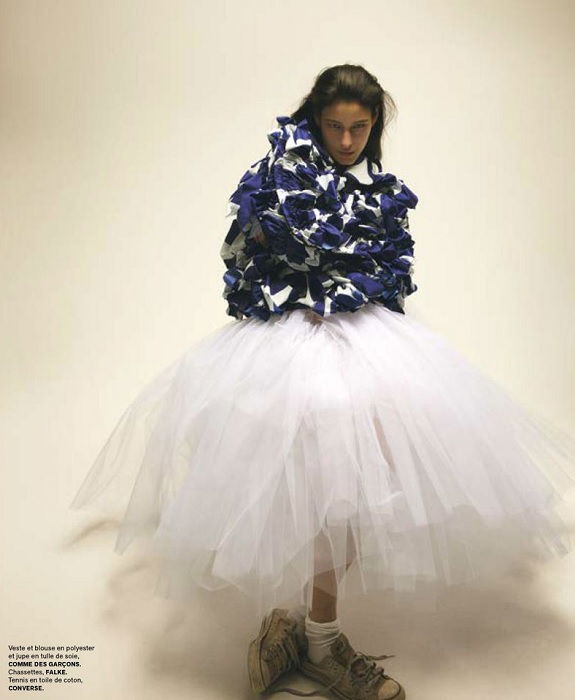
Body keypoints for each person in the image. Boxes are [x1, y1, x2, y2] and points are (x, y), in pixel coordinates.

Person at [70, 64, 575, 700]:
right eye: (333, 126)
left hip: (366, 340)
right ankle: (317, 638)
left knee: (364, 485)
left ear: (374, 127)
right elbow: (240, 254)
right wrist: (292, 293)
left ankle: (313, 630)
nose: (344, 141)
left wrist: (359, 286)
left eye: (358, 128)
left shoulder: (380, 189)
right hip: (293, 342)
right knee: (315, 483)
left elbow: (391, 265)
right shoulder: (279, 173)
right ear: (315, 118)